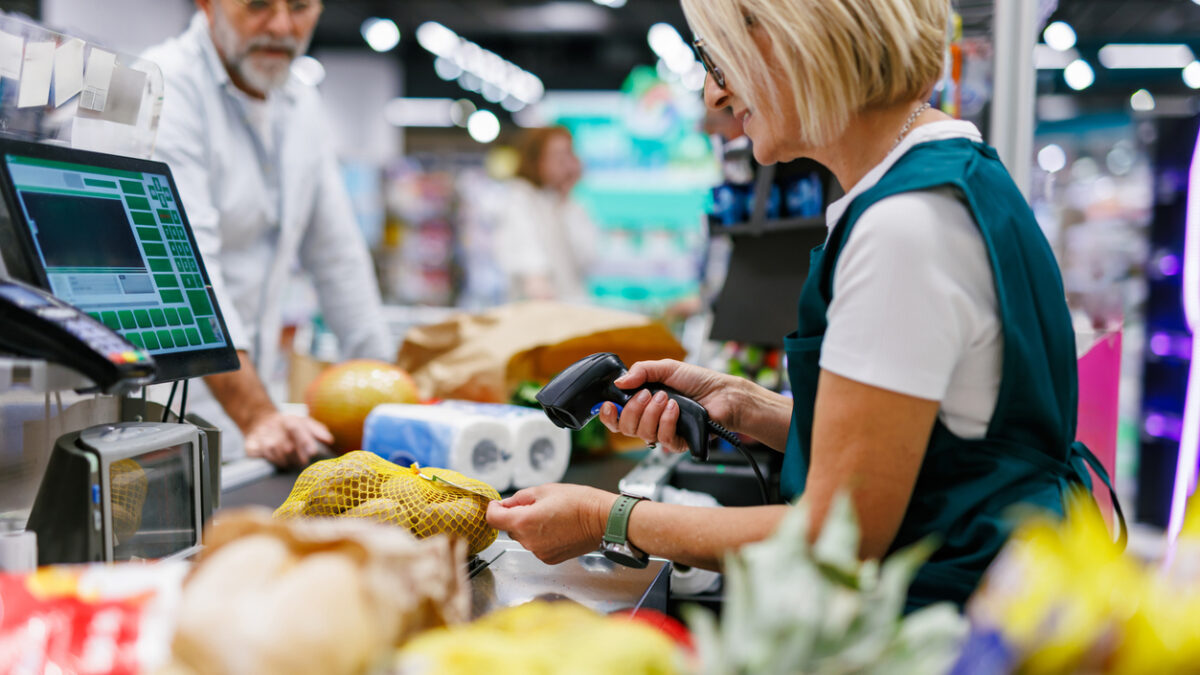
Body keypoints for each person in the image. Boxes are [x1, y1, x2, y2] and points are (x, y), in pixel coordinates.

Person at [487, 0, 1120, 611]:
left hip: (945, 622)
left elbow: (834, 537)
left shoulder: (903, 228)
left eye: (716, 58)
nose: (715, 95)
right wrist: (751, 408)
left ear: (790, 40)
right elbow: (936, 452)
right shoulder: (952, 177)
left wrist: (609, 518)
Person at [144, 0, 392, 467]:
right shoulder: (163, 87)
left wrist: (391, 399)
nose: (281, 27)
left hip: (253, 421)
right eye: (258, 4)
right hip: (163, 418)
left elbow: (339, 260)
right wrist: (256, 413)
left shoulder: (302, 103)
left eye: (299, 7)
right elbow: (185, 267)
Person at [493, 126, 598, 304]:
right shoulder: (520, 197)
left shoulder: (569, 204)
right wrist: (537, 281)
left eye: (568, 154)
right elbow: (526, 251)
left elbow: (587, 258)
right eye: (557, 155)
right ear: (537, 159)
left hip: (570, 307)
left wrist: (566, 199)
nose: (565, 163)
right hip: (539, 311)